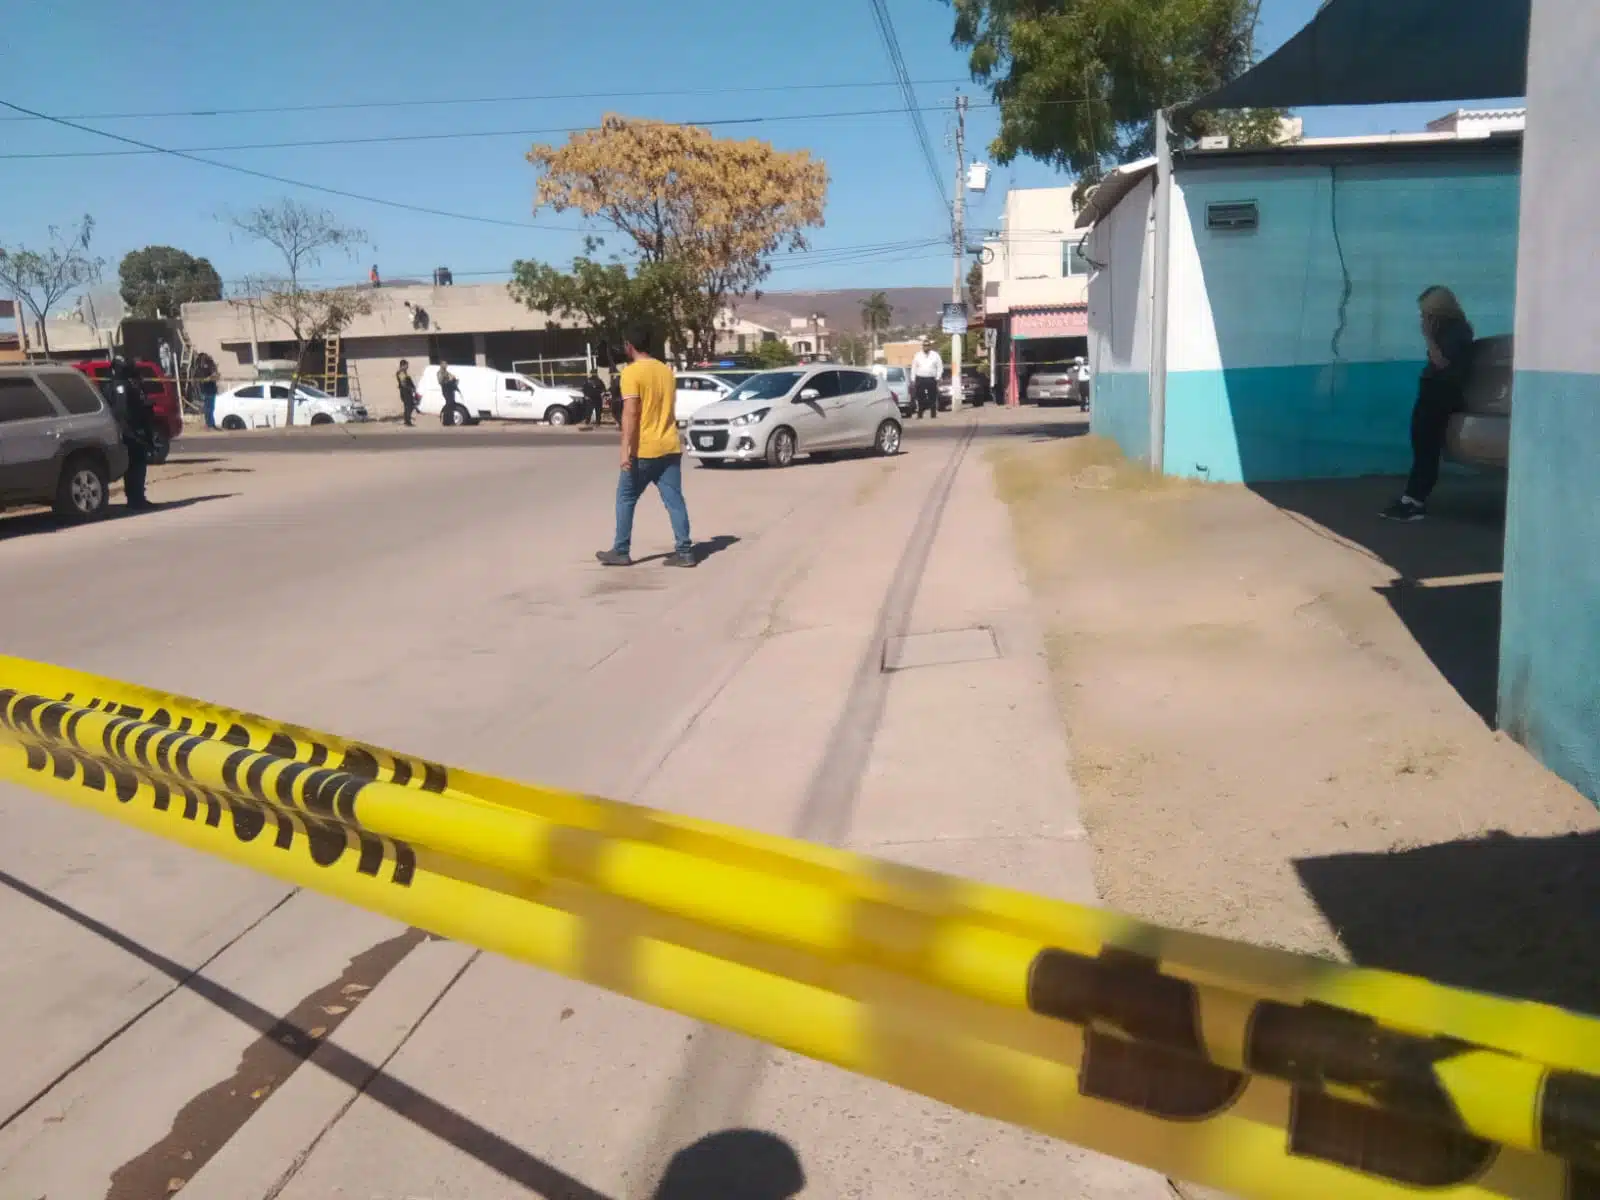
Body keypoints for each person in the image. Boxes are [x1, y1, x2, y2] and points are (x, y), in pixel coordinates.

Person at [595, 327, 695, 569]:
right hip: (670, 445)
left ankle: (621, 550)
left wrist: (625, 449)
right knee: (674, 501)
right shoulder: (665, 371)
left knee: (626, 498)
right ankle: (685, 551)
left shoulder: (631, 373)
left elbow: (631, 412)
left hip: (644, 449)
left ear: (629, 345)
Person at [1382, 286, 1476, 522]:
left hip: (1442, 394)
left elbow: (1442, 362)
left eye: (1426, 312)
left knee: (1427, 448)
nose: (1423, 317)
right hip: (1433, 391)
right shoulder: (1445, 329)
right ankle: (1410, 498)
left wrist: (1428, 336)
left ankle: (1416, 501)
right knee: (1421, 444)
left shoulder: (1458, 331)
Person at [103, 354, 155, 510]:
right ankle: (135, 499)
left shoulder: (125, 384)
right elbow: (123, 410)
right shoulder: (121, 386)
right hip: (131, 432)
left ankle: (137, 497)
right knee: (135, 466)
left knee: (136, 466)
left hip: (133, 430)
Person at [910, 338, 943, 419]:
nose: (926, 347)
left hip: (931, 379)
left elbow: (940, 367)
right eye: (925, 345)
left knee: (932, 396)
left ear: (930, 346)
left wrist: (938, 377)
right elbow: (913, 368)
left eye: (928, 345)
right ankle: (920, 414)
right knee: (920, 396)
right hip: (920, 378)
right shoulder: (917, 355)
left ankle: (933, 415)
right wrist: (913, 379)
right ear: (922, 346)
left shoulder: (935, 355)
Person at [193, 351, 219, 430]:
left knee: (210, 408)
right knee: (208, 408)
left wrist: (210, 378)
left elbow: (215, 375)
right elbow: (195, 378)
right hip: (205, 390)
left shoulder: (209, 365)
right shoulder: (199, 368)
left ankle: (210, 424)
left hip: (210, 389)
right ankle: (209, 424)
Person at [396, 360, 419, 426]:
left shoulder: (404, 372)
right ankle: (407, 421)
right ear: (403, 365)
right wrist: (411, 388)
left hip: (407, 391)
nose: (407, 367)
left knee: (410, 405)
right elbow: (403, 383)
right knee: (408, 406)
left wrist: (413, 388)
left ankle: (407, 420)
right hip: (405, 391)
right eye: (406, 365)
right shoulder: (401, 373)